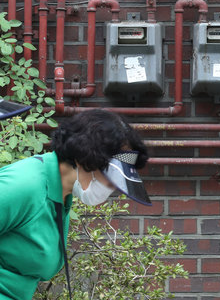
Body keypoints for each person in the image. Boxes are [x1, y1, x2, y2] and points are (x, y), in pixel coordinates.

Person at [0, 109, 152, 300]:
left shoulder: (60, 195)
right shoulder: (24, 185)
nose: (113, 188)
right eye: (112, 179)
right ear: (85, 158)